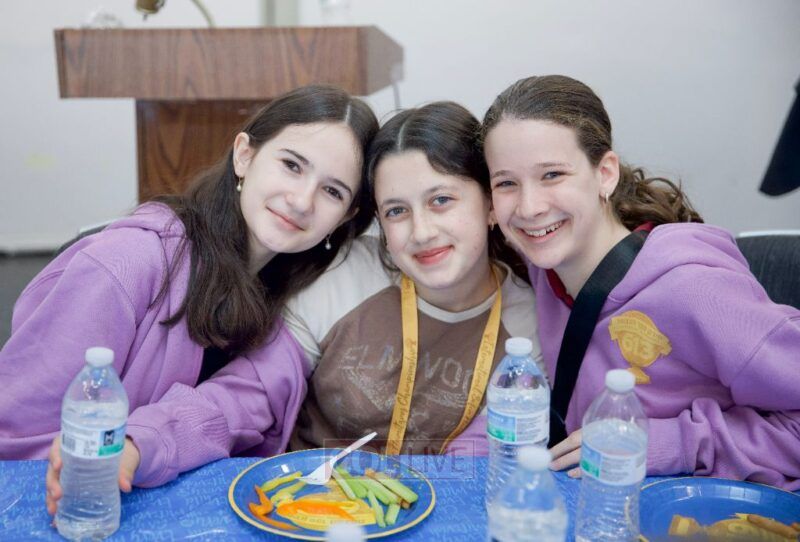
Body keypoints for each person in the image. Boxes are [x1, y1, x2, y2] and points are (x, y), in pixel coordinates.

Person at [0, 85, 379, 511]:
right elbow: (16, 431)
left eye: (332, 191)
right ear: (244, 156)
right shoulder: (128, 261)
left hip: (171, 503)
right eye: (291, 165)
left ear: (346, 216)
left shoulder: (296, 290)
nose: (301, 201)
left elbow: (241, 403)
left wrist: (140, 444)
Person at [480, 74, 800, 489]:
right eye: (506, 183)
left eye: (553, 175)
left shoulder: (694, 289)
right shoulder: (539, 266)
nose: (529, 207)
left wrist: (675, 443)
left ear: (605, 174)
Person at [287, 101, 539, 456]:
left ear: (491, 203)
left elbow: (486, 455)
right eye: (397, 211)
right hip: (304, 485)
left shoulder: (529, 329)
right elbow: (255, 391)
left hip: (439, 490)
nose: (421, 232)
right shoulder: (340, 275)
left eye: (441, 200)